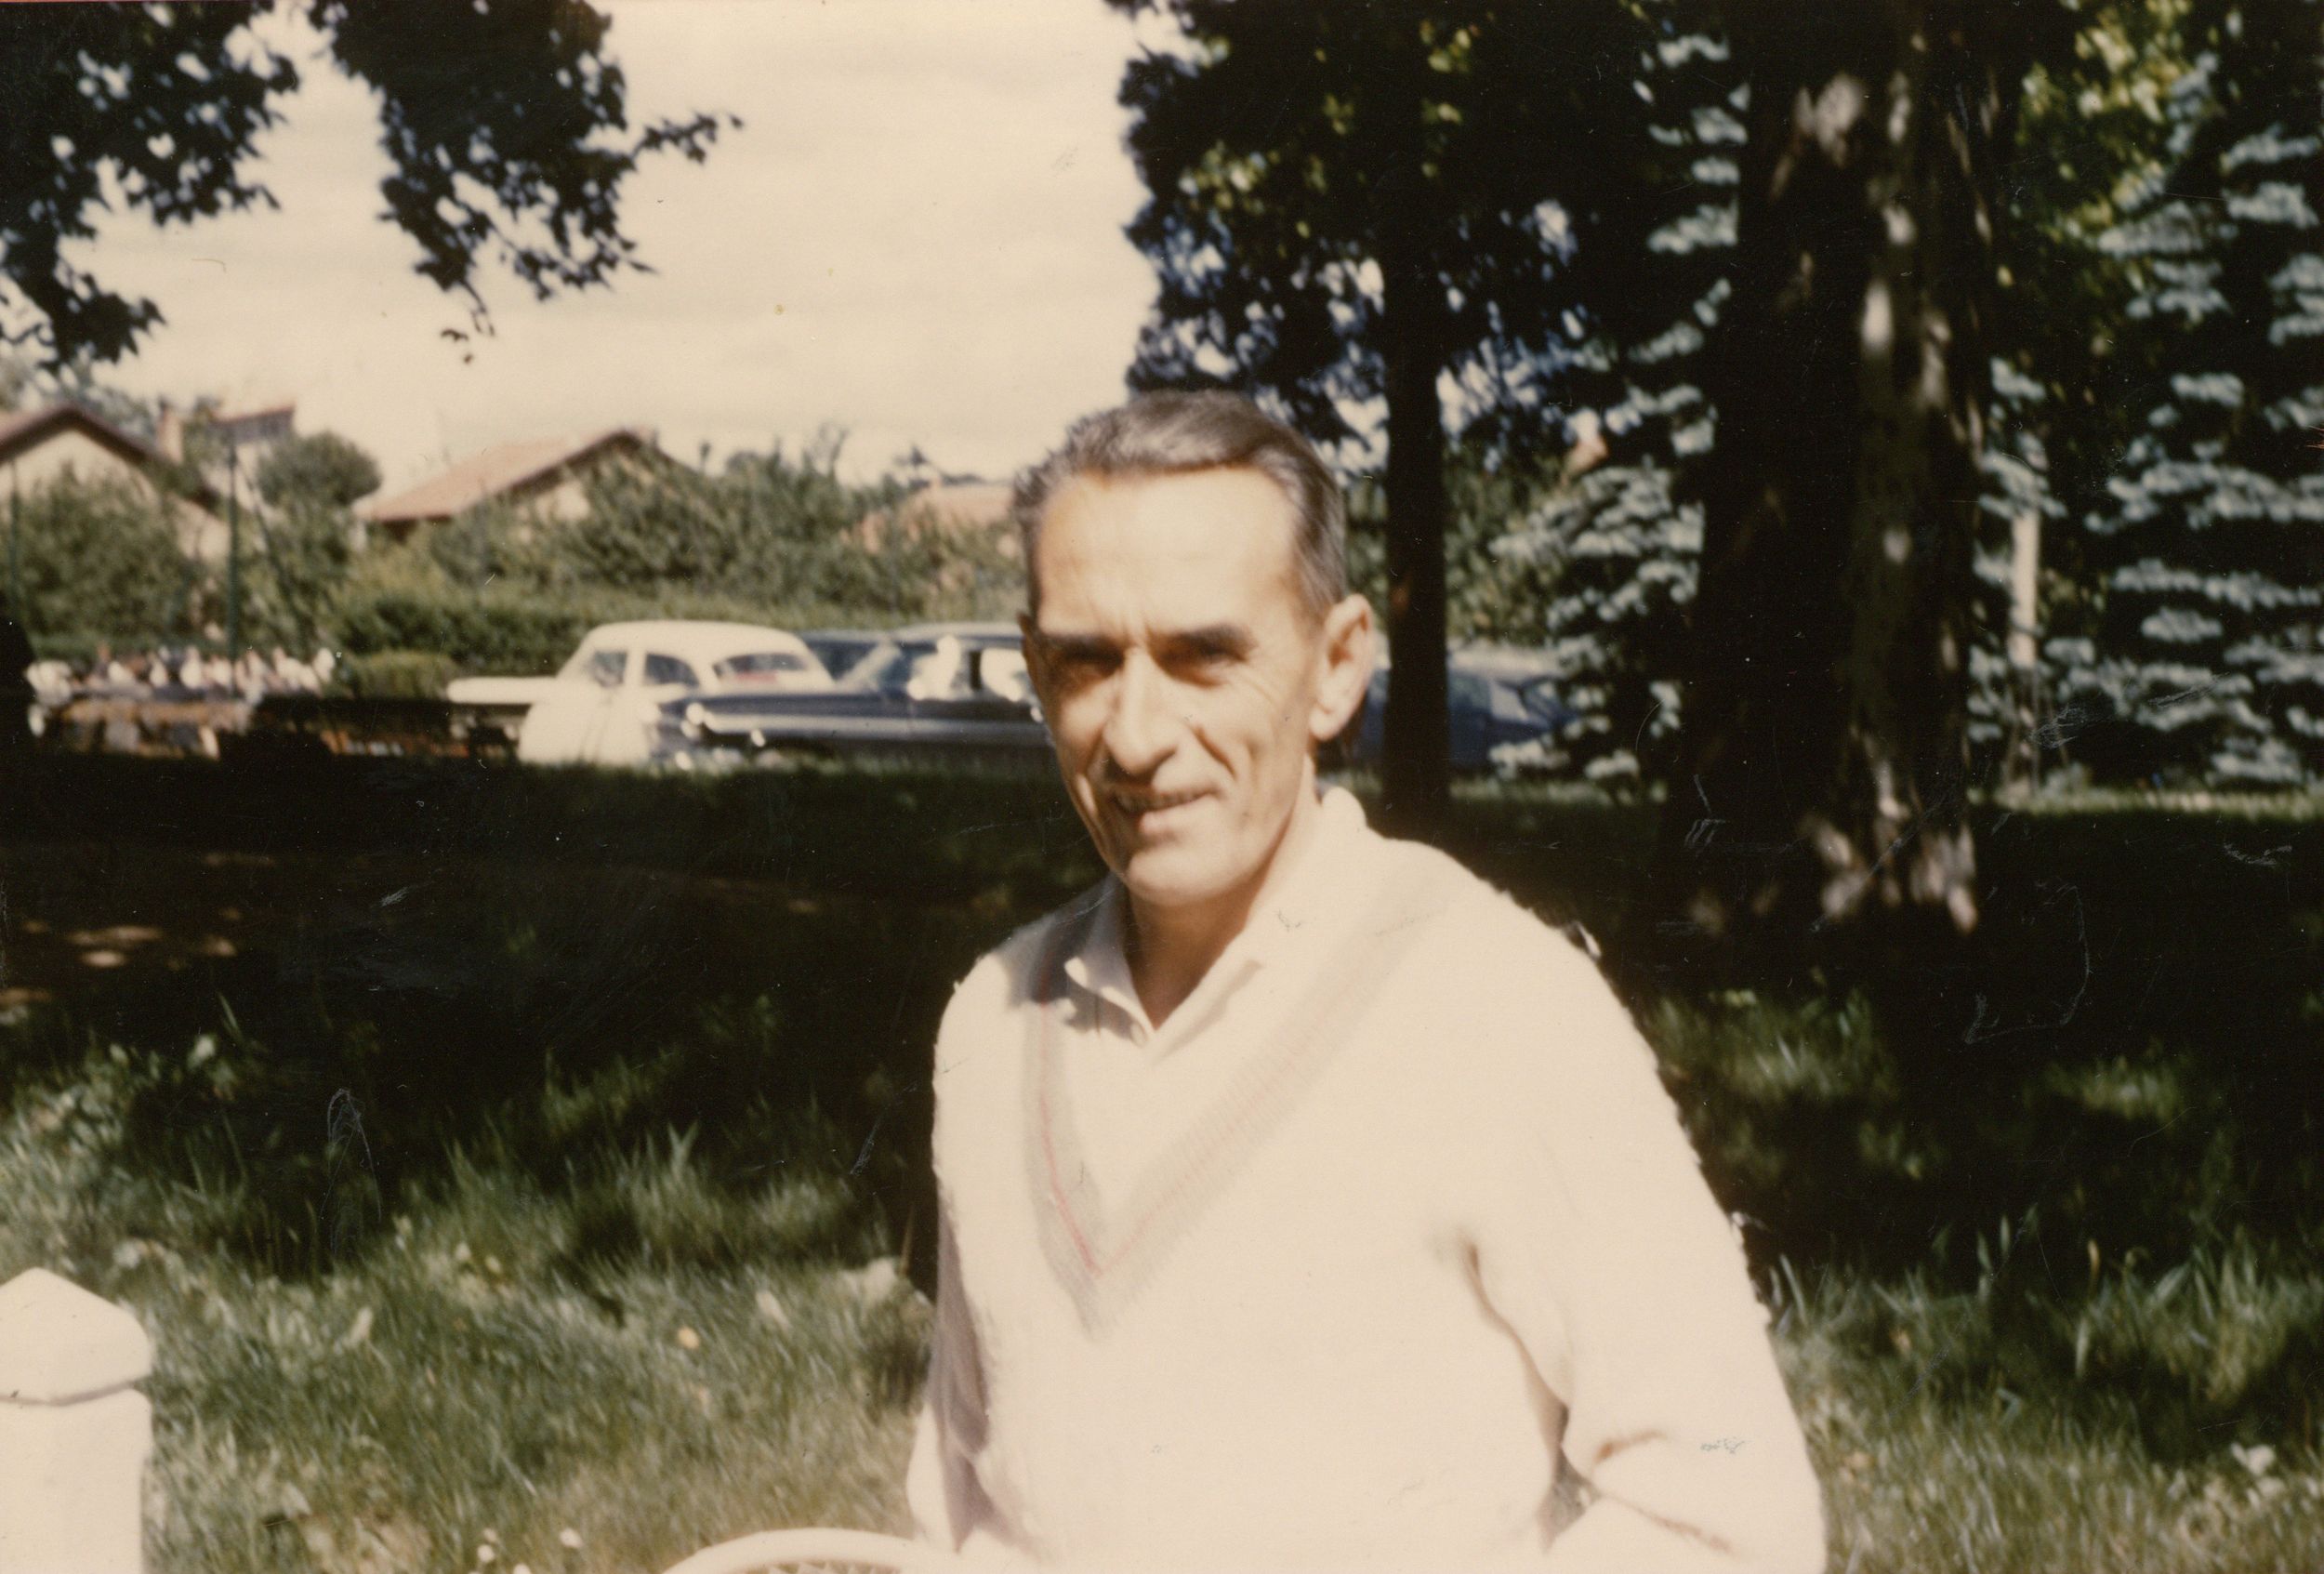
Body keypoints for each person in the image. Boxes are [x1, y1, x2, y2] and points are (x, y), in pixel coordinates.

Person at [906, 391, 1826, 1572]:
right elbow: (959, 1502)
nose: (1135, 735)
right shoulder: (992, 1017)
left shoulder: (1497, 1006)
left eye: (1204, 656)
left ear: (1336, 669)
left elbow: (1727, 1517)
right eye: (1087, 662)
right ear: (1036, 674)